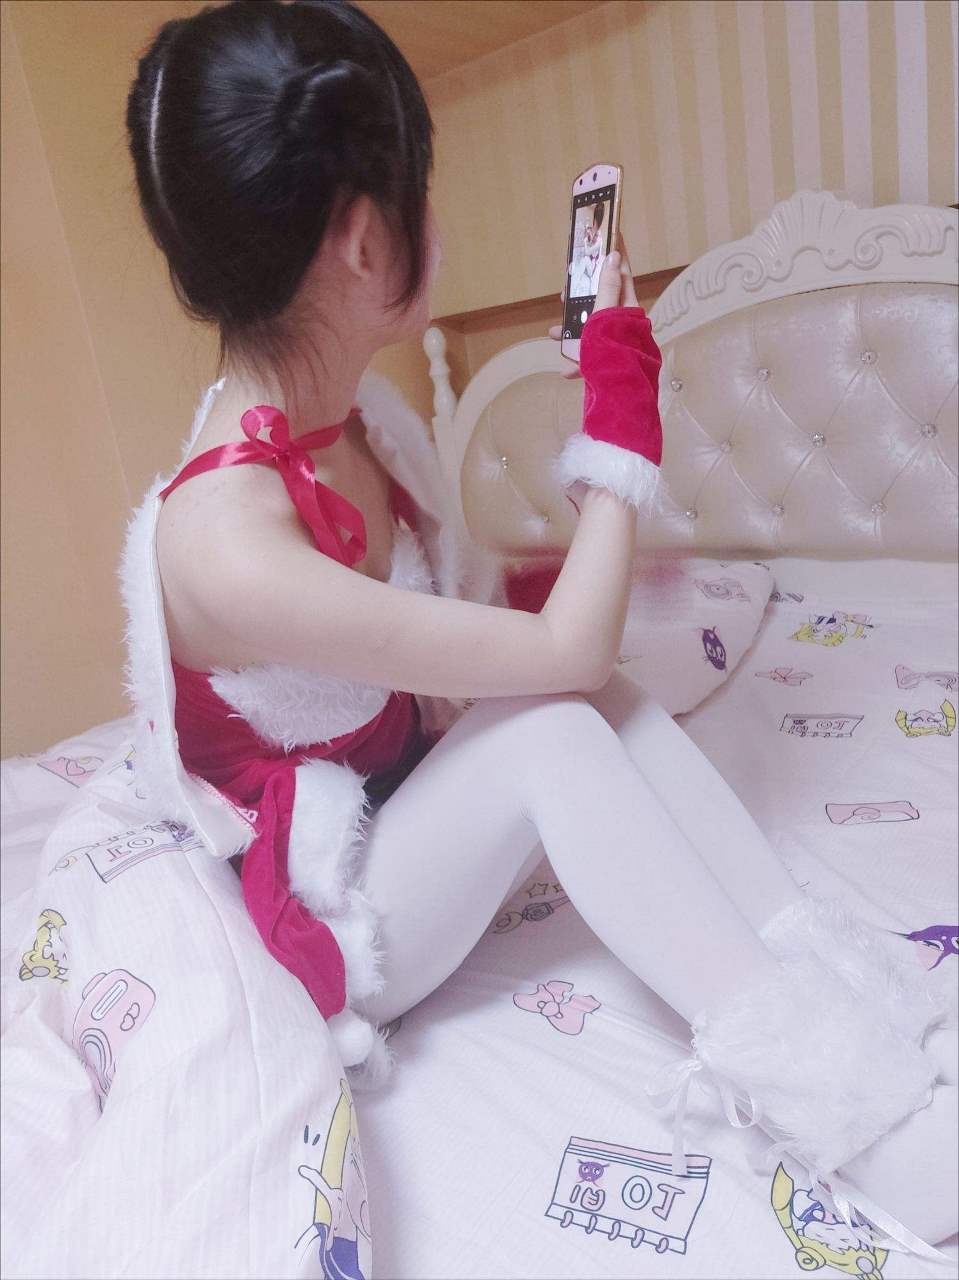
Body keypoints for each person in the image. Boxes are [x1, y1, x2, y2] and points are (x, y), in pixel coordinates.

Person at [124, 0, 956, 1254]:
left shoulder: (357, 422)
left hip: (402, 815)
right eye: (418, 192)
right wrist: (618, 406)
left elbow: (506, 648)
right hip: (332, 915)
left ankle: (822, 975)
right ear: (363, 239)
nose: (434, 224)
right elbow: (559, 657)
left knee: (592, 702)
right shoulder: (223, 537)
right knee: (558, 728)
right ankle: (848, 1114)